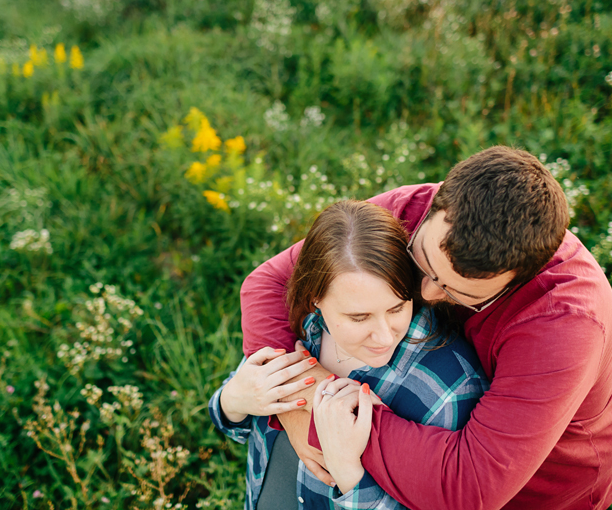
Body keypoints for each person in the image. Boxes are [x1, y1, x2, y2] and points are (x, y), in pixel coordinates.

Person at [240, 146, 612, 510]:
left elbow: (470, 488)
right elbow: (269, 282)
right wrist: (292, 406)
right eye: (420, 259)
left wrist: (329, 409)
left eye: (457, 292)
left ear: (518, 281)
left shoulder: (566, 325)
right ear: (439, 201)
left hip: (533, 492)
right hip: (423, 436)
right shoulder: (415, 209)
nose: (424, 290)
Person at [209, 200, 489, 509]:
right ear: (316, 299)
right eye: (359, 317)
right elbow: (237, 425)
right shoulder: (300, 331)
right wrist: (231, 401)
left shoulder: (449, 386)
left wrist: (347, 470)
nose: (384, 336)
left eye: (397, 307)